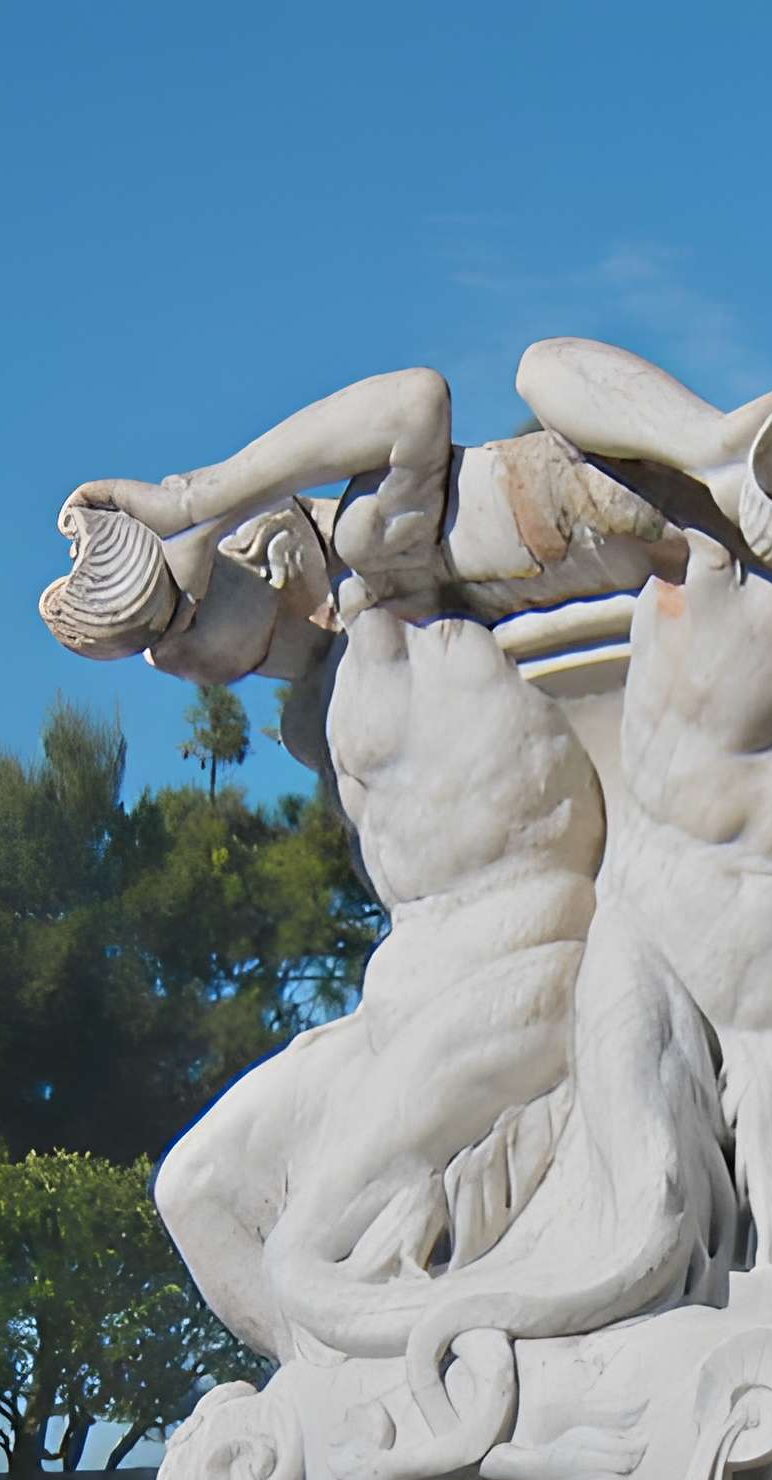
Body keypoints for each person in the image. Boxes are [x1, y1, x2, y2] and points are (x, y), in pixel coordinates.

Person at [46, 370, 680, 1363]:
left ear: (261, 557)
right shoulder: (310, 711)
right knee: (196, 1191)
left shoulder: (382, 594)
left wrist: (190, 503)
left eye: (171, 621)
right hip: (402, 1013)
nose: (167, 664)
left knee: (309, 1253)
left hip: (518, 974)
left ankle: (429, 1428)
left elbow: (411, 405)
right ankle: (341, 1439)